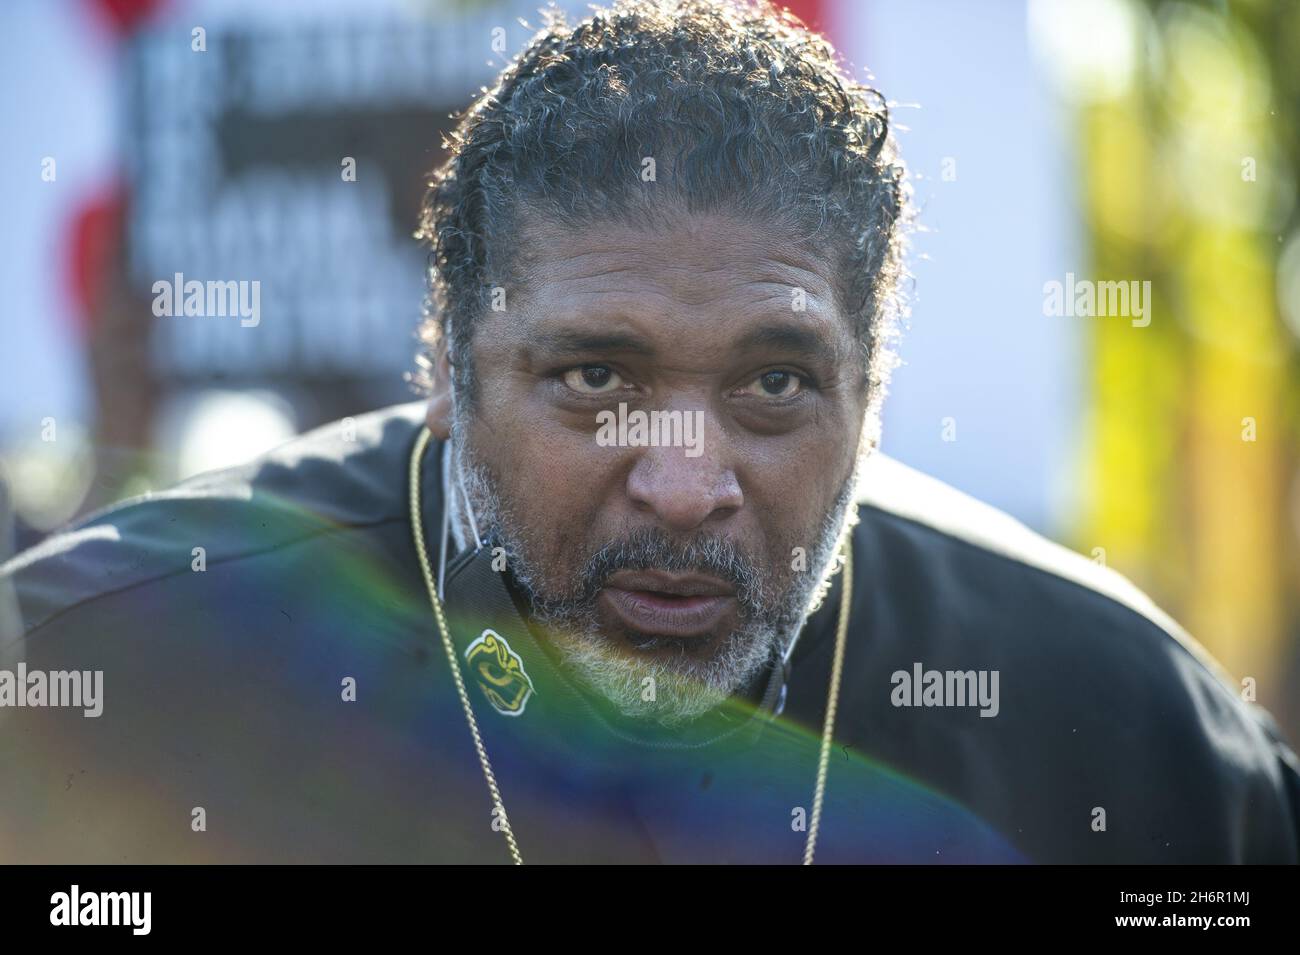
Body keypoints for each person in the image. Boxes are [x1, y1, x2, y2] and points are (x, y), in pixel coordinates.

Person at [1, 0, 1296, 864]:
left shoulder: (1138, 739)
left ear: (873, 390)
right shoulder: (95, 669)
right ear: (448, 368)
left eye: (775, 387)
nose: (685, 484)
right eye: (594, 378)